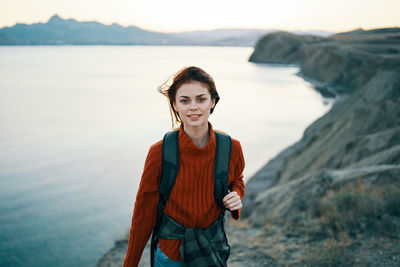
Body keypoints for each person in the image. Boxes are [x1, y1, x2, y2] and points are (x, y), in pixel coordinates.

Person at [123, 66, 245, 267]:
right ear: (174, 104)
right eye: (184, 100)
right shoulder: (159, 152)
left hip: (212, 247)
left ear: (212, 101)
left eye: (201, 99)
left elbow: (236, 180)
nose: (193, 107)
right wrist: (130, 264)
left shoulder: (231, 147)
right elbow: (143, 214)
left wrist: (237, 195)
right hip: (170, 255)